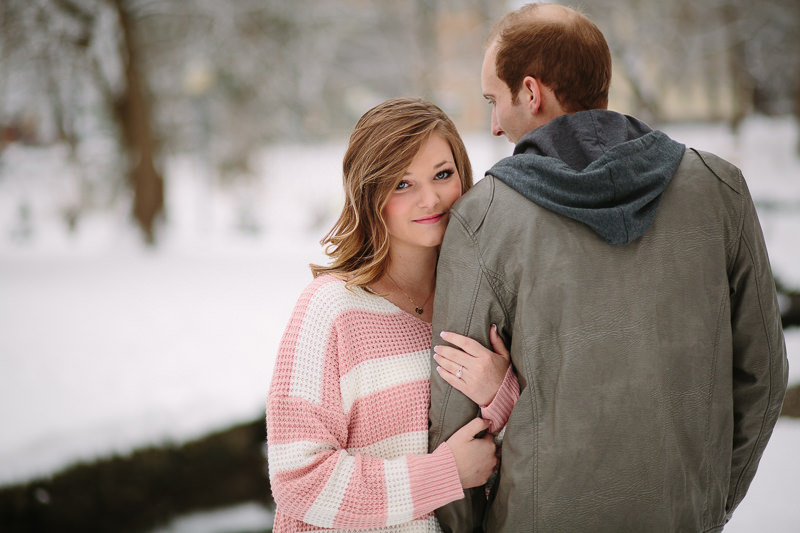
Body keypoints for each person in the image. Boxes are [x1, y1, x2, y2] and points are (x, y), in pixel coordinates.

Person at [428, 4, 789, 532]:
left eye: (494, 100)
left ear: (531, 92)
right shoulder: (720, 189)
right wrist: (708, 503)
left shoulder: (483, 217)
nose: (495, 125)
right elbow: (765, 375)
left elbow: (453, 407)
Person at [267, 97, 520, 532]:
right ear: (370, 195)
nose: (431, 199)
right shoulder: (330, 310)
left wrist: (502, 394)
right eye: (403, 184)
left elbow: (515, 457)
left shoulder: (481, 303)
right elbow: (298, 478)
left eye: (443, 174)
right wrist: (441, 476)